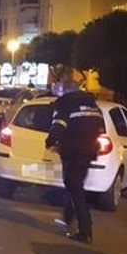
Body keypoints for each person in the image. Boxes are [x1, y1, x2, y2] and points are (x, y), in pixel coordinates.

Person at [44, 78, 104, 244]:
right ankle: (67, 217)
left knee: (74, 188)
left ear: (66, 91)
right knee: (75, 186)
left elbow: (58, 127)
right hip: (88, 153)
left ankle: (85, 231)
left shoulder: (66, 104)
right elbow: (101, 128)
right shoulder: (93, 105)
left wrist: (49, 142)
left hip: (72, 153)